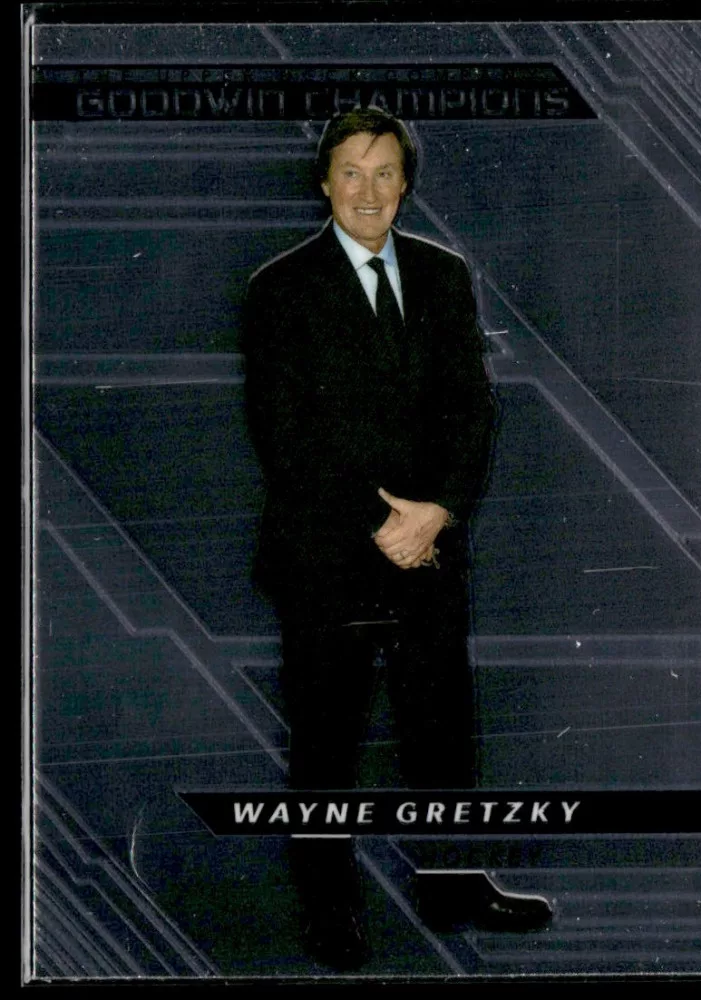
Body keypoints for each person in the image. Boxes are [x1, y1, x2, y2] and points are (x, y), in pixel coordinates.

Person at [243, 107, 552, 970]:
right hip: (325, 558)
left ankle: (455, 887)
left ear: (406, 184)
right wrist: (383, 523)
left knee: (442, 733)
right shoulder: (281, 287)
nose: (369, 190)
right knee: (326, 743)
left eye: (385, 172)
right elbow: (284, 435)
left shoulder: (443, 274)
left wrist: (438, 512)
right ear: (324, 183)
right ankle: (329, 912)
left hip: (430, 552)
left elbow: (472, 408)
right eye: (352, 171)